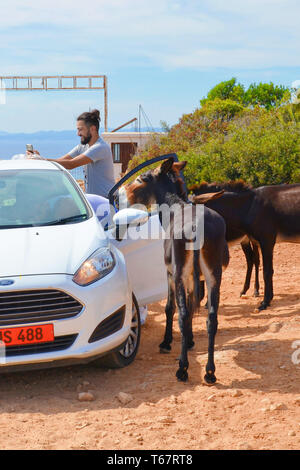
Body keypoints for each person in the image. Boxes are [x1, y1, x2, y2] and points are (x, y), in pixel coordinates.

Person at [27, 109, 115, 198]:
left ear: (93, 129)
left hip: (106, 200)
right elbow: (61, 161)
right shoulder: (83, 147)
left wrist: (43, 160)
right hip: (93, 199)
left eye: (80, 130)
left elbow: (71, 164)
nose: (78, 134)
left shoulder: (100, 147)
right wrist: (40, 158)